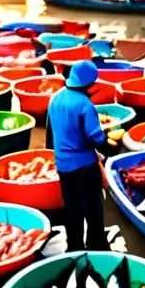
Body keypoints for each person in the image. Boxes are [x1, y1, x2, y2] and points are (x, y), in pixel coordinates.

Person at [46, 60, 110, 251]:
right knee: (93, 209)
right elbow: (95, 138)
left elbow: (50, 134)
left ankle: (74, 246)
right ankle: (96, 245)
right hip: (84, 166)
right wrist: (110, 149)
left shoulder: (54, 98)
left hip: (63, 165)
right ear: (90, 84)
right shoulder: (85, 105)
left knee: (71, 208)